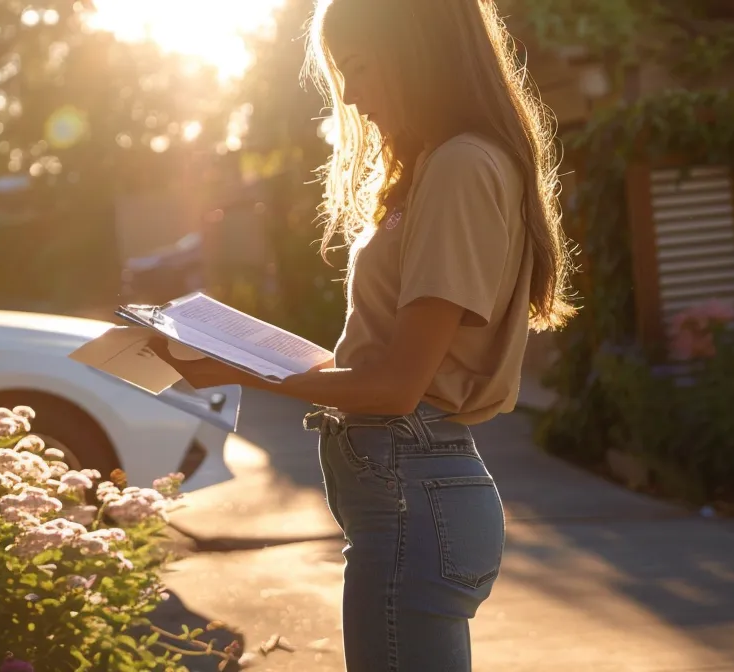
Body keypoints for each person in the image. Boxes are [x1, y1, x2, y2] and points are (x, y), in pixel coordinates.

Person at [149, 0, 575, 669]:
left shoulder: (462, 166)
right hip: (409, 492)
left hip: (414, 489)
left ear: (419, 52)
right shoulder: (440, 165)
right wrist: (255, 352)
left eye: (358, 66)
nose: (349, 94)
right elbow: (387, 363)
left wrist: (237, 370)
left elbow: (397, 386)